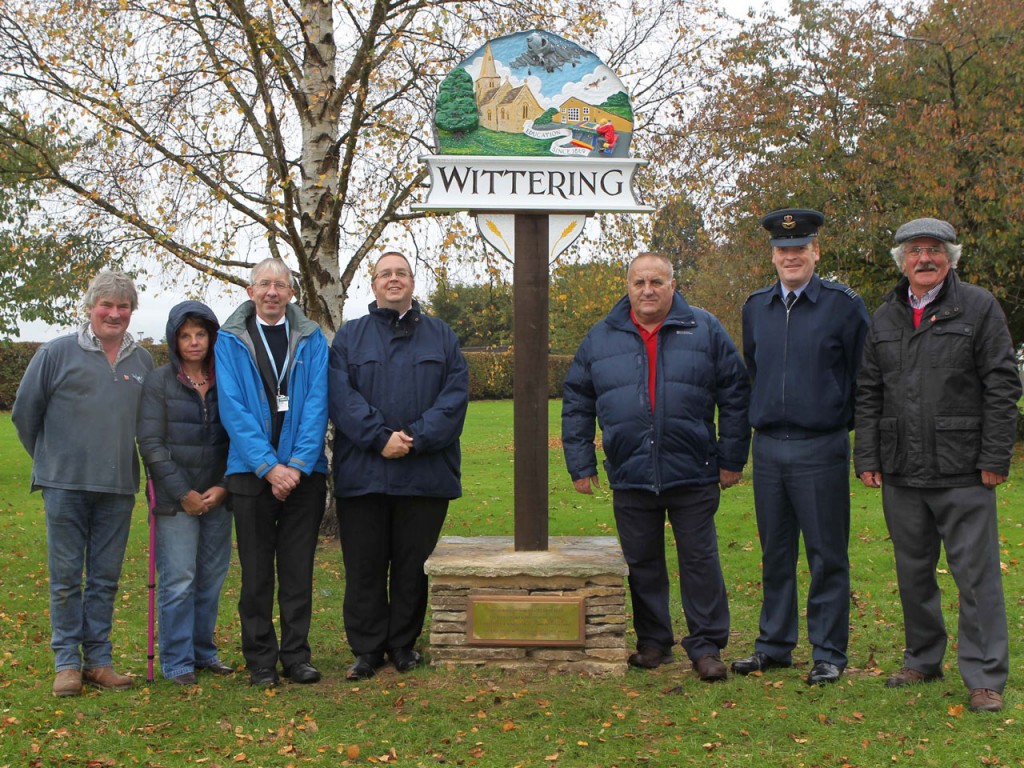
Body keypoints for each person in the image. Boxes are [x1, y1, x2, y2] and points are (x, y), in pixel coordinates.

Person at [854, 218, 1021, 713]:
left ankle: (985, 675)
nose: (924, 259)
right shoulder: (884, 316)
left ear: (951, 257)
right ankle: (923, 658)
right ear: (901, 260)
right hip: (902, 469)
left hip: (964, 468)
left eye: (934, 250)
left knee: (976, 577)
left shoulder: (978, 306)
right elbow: (869, 392)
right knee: (913, 574)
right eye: (914, 251)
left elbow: (1002, 384)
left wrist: (995, 456)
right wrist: (868, 455)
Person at [562, 251, 751, 682]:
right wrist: (580, 463)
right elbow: (577, 402)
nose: (648, 290)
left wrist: (732, 457)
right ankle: (654, 642)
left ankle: (706, 646)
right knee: (642, 562)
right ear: (627, 286)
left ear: (672, 285)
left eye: (657, 282)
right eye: (639, 282)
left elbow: (735, 395)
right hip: (630, 472)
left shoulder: (703, 328)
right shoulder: (601, 336)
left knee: (700, 562)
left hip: (694, 469)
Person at [732, 208, 869, 686]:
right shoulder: (756, 308)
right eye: (782, 250)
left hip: (820, 446)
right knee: (775, 553)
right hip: (768, 447)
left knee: (826, 554)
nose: (790, 256)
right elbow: (756, 370)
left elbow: (862, 378)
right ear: (773, 255)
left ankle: (829, 651)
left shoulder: (843, 306)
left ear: (816, 251)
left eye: (799, 248)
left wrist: (836, 422)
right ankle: (774, 644)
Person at [13, 270, 154, 697]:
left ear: (131, 311)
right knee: (65, 577)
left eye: (123, 306)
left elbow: (147, 425)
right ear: (90, 307)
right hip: (64, 487)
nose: (114, 313)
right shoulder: (56, 353)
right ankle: (66, 664)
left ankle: (98, 661)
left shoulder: (142, 361)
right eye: (106, 305)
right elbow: (24, 414)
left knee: (105, 579)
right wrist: (51, 461)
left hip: (116, 487)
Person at [329, 251, 469, 681]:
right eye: (385, 274)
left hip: (423, 474)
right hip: (364, 474)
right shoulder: (350, 338)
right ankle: (367, 650)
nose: (393, 279)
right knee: (365, 566)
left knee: (412, 565)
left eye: (401, 273)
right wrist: (379, 438)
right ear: (373, 285)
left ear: (412, 281)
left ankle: (403, 645)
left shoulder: (442, 336)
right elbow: (342, 398)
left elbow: (454, 396)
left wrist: (412, 440)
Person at [215, 258, 329, 687]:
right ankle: (260, 659)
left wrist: (296, 465)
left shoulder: (312, 338)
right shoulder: (230, 340)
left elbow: (317, 404)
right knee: (257, 574)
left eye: (280, 285)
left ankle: (296, 656)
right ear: (250, 291)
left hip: (304, 475)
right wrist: (268, 466)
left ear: (291, 293)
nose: (272, 292)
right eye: (264, 284)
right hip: (250, 473)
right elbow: (233, 408)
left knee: (298, 572)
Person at [137, 301, 234, 685]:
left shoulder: (226, 378)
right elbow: (151, 443)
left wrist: (224, 487)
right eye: (185, 335)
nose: (194, 342)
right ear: (174, 340)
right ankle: (176, 661)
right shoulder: (159, 382)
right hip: (175, 503)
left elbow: (240, 435)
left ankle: (203, 652)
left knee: (210, 579)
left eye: (200, 334)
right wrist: (183, 493)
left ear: (211, 337)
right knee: (179, 580)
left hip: (218, 498)